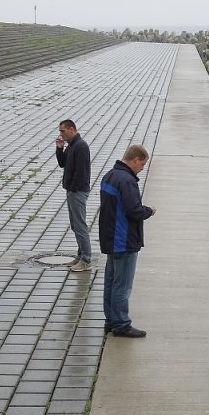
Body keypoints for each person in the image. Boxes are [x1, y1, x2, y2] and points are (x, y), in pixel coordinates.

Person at [99, 144, 157, 337]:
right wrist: (149, 211)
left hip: (110, 239)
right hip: (123, 241)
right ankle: (121, 324)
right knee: (122, 285)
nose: (142, 168)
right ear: (135, 160)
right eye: (142, 164)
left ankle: (110, 319)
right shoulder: (127, 181)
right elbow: (134, 211)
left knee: (111, 282)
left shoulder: (110, 175)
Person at [55, 119, 93, 272]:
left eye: (62, 131)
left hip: (77, 191)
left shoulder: (81, 146)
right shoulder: (71, 145)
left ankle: (86, 259)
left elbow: (81, 172)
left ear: (72, 129)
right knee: (75, 224)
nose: (61, 134)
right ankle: (80, 254)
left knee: (80, 225)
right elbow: (63, 164)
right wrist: (59, 148)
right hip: (71, 190)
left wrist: (73, 188)